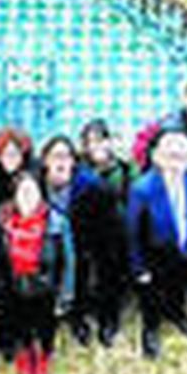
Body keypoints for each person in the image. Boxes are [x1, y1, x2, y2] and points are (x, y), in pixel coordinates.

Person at [126, 131, 187, 360]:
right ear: (158, 158)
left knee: (178, 289)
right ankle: (151, 329)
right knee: (152, 296)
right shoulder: (142, 189)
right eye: (171, 156)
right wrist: (139, 268)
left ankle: (178, 315)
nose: (177, 163)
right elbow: (132, 233)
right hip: (156, 255)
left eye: (183, 157)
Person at [40, 136, 124, 349]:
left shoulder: (93, 187)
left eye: (67, 157)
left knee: (105, 270)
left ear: (74, 162)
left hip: (95, 239)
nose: (61, 162)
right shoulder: (38, 185)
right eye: (55, 157)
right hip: (59, 243)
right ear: (45, 161)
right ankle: (78, 319)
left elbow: (112, 228)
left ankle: (109, 320)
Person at [0, 171, 74, 374]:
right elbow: (0, 257)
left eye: (33, 191)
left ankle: (43, 358)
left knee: (45, 327)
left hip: (45, 287)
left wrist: (65, 294)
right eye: (23, 192)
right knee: (21, 325)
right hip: (17, 285)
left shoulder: (57, 222)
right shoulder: (6, 222)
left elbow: (69, 260)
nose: (28, 197)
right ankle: (25, 352)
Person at [0, 126, 34, 217]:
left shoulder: (32, 173)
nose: (9, 159)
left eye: (13, 154)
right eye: (4, 154)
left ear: (22, 155)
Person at [80, 118, 133, 206]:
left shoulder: (125, 168)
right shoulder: (83, 173)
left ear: (110, 142)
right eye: (90, 142)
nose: (95, 146)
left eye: (99, 140)